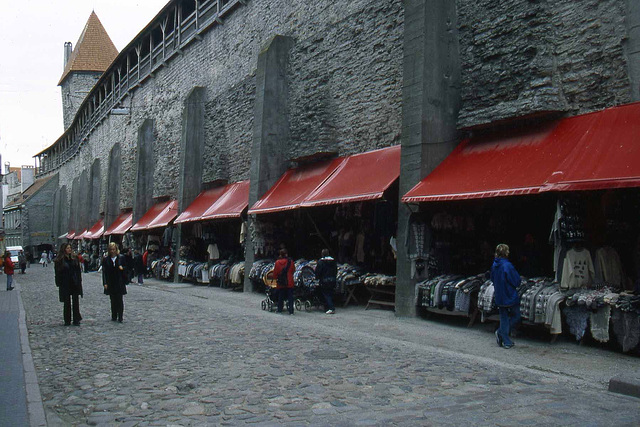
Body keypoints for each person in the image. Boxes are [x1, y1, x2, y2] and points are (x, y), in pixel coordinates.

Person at [491, 243, 521, 349]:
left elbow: (492, 279)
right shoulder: (507, 266)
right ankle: (504, 338)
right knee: (516, 316)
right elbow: (516, 281)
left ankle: (502, 335)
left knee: (503, 317)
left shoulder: (494, 265)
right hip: (509, 294)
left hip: (499, 295)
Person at [54, 243, 83, 326]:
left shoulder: (75, 258)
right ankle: (67, 319)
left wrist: (79, 281)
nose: (69, 249)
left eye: (70, 248)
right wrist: (58, 282)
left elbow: (78, 271)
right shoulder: (59, 260)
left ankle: (76, 319)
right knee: (66, 302)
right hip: (65, 283)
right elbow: (57, 273)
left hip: (74, 282)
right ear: (64, 249)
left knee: (75, 301)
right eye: (67, 248)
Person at [102, 242, 127, 322]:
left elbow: (127, 268)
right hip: (111, 282)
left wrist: (122, 268)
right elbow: (104, 272)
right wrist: (105, 283)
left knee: (119, 299)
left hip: (119, 282)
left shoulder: (121, 258)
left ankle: (120, 316)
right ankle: (114, 315)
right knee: (113, 300)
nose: (112, 251)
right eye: (111, 250)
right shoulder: (106, 259)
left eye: (114, 249)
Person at [272, 248, 295, 315]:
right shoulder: (291, 262)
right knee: (290, 297)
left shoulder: (277, 262)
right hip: (289, 281)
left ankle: (280, 309)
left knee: (280, 296)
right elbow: (293, 270)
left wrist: (275, 278)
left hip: (281, 282)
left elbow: (275, 273)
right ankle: (291, 311)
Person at [315, 249, 337, 314]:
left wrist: (317, 278)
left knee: (326, 294)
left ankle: (331, 308)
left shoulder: (320, 262)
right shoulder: (333, 261)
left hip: (324, 280)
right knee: (330, 293)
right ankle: (328, 307)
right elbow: (335, 270)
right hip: (332, 279)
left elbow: (318, 271)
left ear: (322, 254)